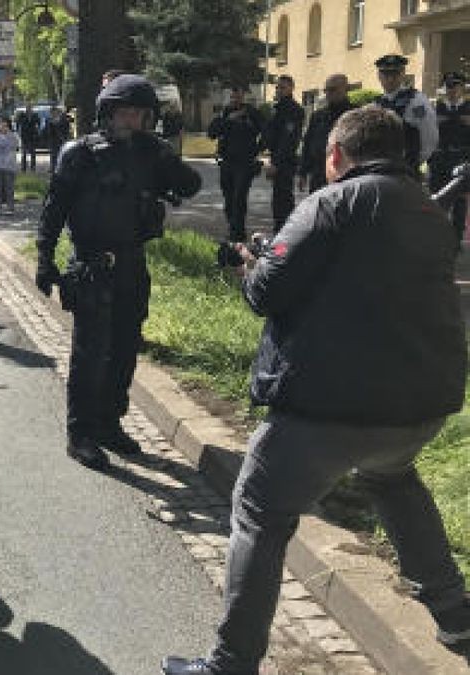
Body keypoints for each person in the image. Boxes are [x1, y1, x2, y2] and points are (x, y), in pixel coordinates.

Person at [163, 105, 470, 675]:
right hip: (419, 405)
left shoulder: (330, 202)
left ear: (336, 154)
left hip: (329, 409)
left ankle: (231, 663)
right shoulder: (428, 211)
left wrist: (251, 262)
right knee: (395, 481)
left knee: (258, 513)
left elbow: (266, 294)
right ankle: (457, 615)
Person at [35, 74, 201, 470]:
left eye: (140, 114)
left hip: (132, 264)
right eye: (125, 112)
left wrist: (165, 153)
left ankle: (110, 423)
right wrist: (45, 256)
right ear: (107, 113)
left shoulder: (149, 153)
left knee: (125, 351)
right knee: (90, 355)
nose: (132, 120)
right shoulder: (80, 154)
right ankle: (81, 433)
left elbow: (191, 185)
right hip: (91, 265)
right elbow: (53, 207)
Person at [208, 86, 264, 242]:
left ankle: (237, 233)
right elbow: (212, 133)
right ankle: (233, 227)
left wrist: (257, 149)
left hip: (245, 163)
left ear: (243, 97)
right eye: (232, 97)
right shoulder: (225, 113)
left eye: (237, 97)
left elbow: (266, 131)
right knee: (228, 199)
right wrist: (228, 120)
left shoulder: (252, 112)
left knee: (239, 198)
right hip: (226, 162)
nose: (234, 100)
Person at [374, 54, 438, 173]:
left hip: (406, 167)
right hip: (381, 167)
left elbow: (429, 135)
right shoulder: (377, 103)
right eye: (385, 74)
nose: (390, 79)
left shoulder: (416, 100)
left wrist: (414, 162)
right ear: (379, 76)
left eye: (395, 74)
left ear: (403, 74)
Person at [297, 74, 355, 193]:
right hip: (319, 173)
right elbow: (308, 144)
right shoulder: (318, 116)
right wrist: (303, 172)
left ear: (346, 89)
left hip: (345, 174)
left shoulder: (355, 115)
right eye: (326, 90)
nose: (328, 93)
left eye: (333, 89)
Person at [261, 75, 304, 232]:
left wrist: (276, 163)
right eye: (277, 87)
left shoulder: (293, 110)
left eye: (283, 87)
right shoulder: (277, 108)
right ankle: (280, 232)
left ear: (292, 88)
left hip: (285, 161)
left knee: (284, 200)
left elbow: (288, 140)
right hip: (276, 158)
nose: (279, 90)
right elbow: (269, 134)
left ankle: (286, 234)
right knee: (278, 200)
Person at [431, 71, 470, 241]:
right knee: (437, 197)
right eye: (449, 86)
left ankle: (456, 237)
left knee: (460, 200)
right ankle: (437, 236)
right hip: (439, 158)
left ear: (463, 87)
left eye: (456, 85)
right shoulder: (435, 107)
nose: (452, 89)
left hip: (461, 157)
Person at [46, 106, 72, 172]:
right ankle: (53, 168)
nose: (53, 114)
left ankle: (61, 167)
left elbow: (67, 127)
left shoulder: (63, 119)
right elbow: (48, 131)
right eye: (51, 112)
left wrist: (65, 137)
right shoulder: (49, 120)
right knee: (53, 155)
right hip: (53, 140)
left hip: (61, 139)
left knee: (61, 154)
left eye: (54, 112)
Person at [17, 104, 40, 171]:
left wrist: (37, 130)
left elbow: (38, 123)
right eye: (28, 108)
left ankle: (33, 167)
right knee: (24, 152)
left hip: (32, 136)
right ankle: (23, 167)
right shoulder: (22, 115)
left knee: (33, 152)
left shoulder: (35, 115)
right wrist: (18, 131)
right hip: (24, 136)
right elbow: (18, 123)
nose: (29, 109)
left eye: (30, 108)